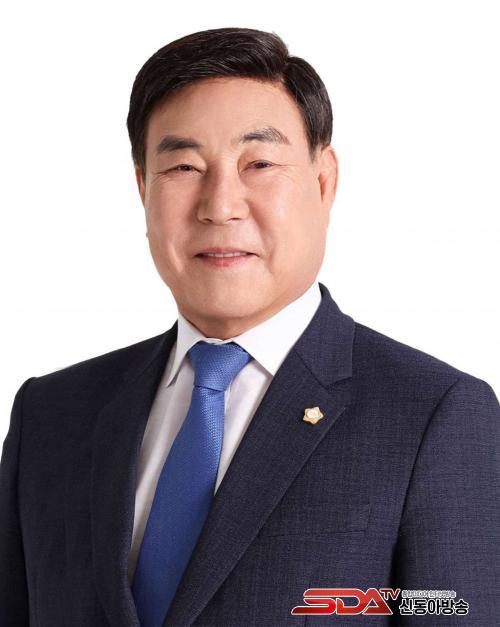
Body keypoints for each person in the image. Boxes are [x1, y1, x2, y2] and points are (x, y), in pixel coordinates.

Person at [1, 27, 499, 627]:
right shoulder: (51, 416)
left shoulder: (433, 417)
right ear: (142, 188)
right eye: (183, 166)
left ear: (323, 181)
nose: (220, 205)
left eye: (259, 163)